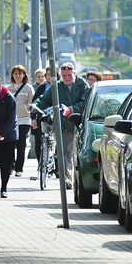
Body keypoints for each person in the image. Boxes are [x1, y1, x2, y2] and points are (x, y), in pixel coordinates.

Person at [31, 62, 88, 190]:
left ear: (74, 73)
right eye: (64, 75)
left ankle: (76, 178)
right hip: (63, 124)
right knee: (65, 152)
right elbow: (44, 99)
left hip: (79, 124)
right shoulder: (56, 86)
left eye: (69, 74)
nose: (67, 77)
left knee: (77, 153)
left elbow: (86, 102)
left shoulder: (82, 84)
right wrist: (34, 106)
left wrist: (71, 109)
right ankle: (67, 179)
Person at [8, 64, 35, 178]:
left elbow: (32, 103)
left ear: (24, 75)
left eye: (20, 73)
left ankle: (19, 168)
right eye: (15, 73)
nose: (18, 76)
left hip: (24, 120)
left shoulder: (28, 88)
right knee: (10, 144)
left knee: (21, 144)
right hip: (11, 120)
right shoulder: (8, 88)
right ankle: (10, 165)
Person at [29, 67, 51, 180]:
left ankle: (56, 168)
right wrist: (33, 118)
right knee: (40, 141)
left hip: (55, 118)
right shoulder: (42, 88)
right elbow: (35, 103)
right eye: (48, 74)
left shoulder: (61, 87)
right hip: (41, 117)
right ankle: (40, 164)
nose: (49, 76)